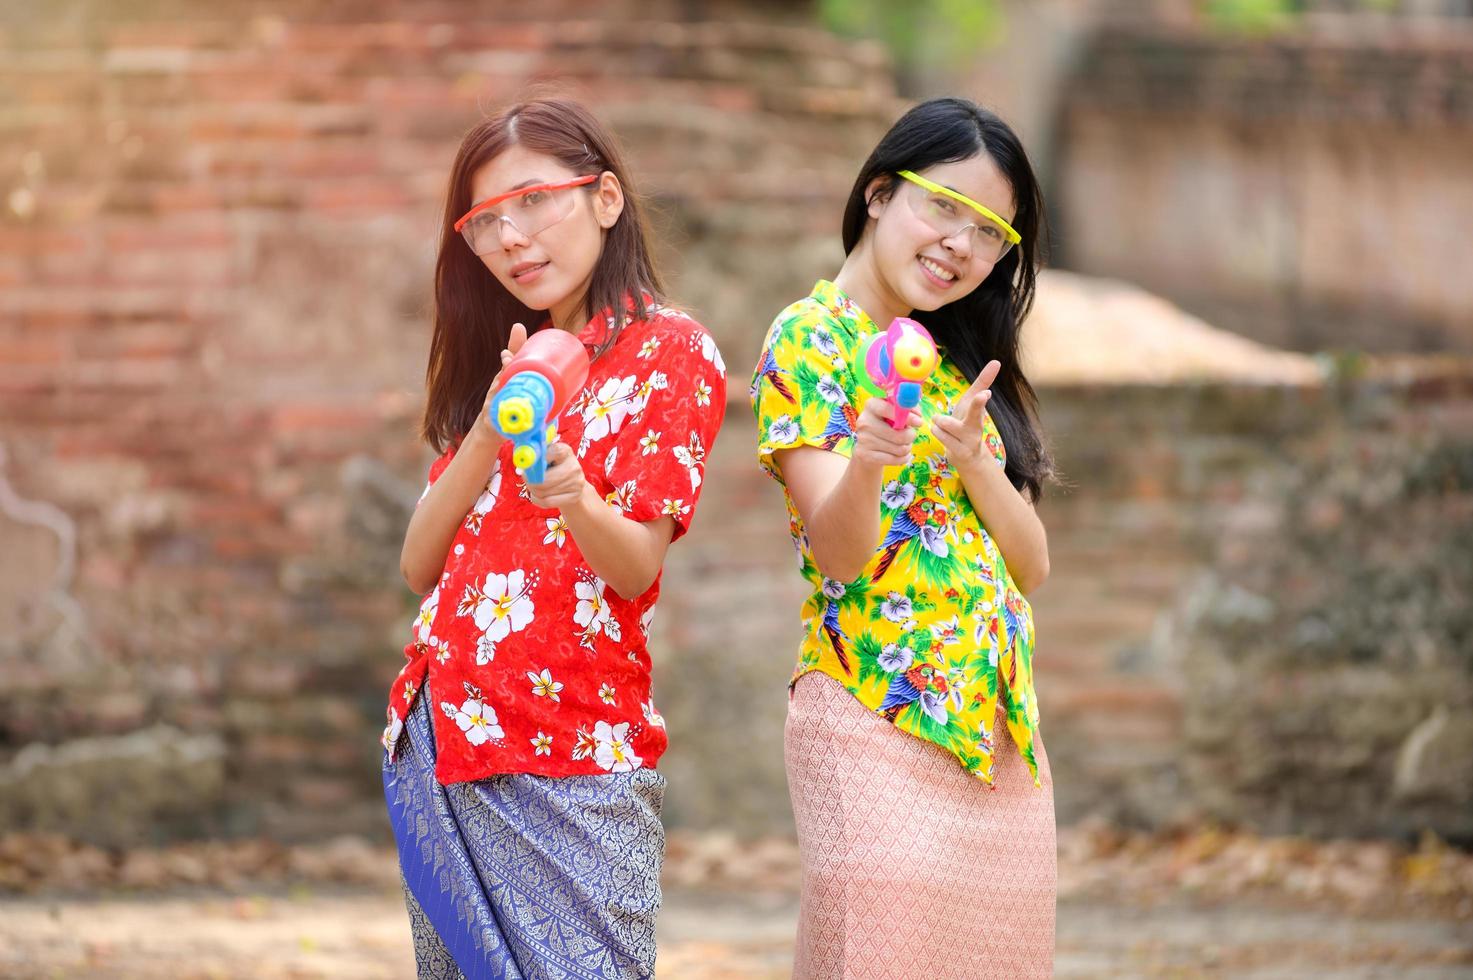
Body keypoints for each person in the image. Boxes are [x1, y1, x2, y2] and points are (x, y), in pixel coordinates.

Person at [382, 96, 726, 979]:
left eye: (535, 201)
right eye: (486, 219)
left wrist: (572, 492)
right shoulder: (510, 359)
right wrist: (494, 426)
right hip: (444, 734)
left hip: (573, 748)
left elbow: (634, 562)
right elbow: (419, 564)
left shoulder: (673, 352)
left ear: (605, 199)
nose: (510, 236)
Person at [750, 97, 1057, 979]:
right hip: (872, 712)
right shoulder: (808, 339)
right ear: (880, 193)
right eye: (944, 207)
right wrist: (871, 459)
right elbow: (840, 557)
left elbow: (1029, 568)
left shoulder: (960, 362)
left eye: (992, 233)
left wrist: (976, 462)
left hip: (996, 729)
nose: (963, 244)